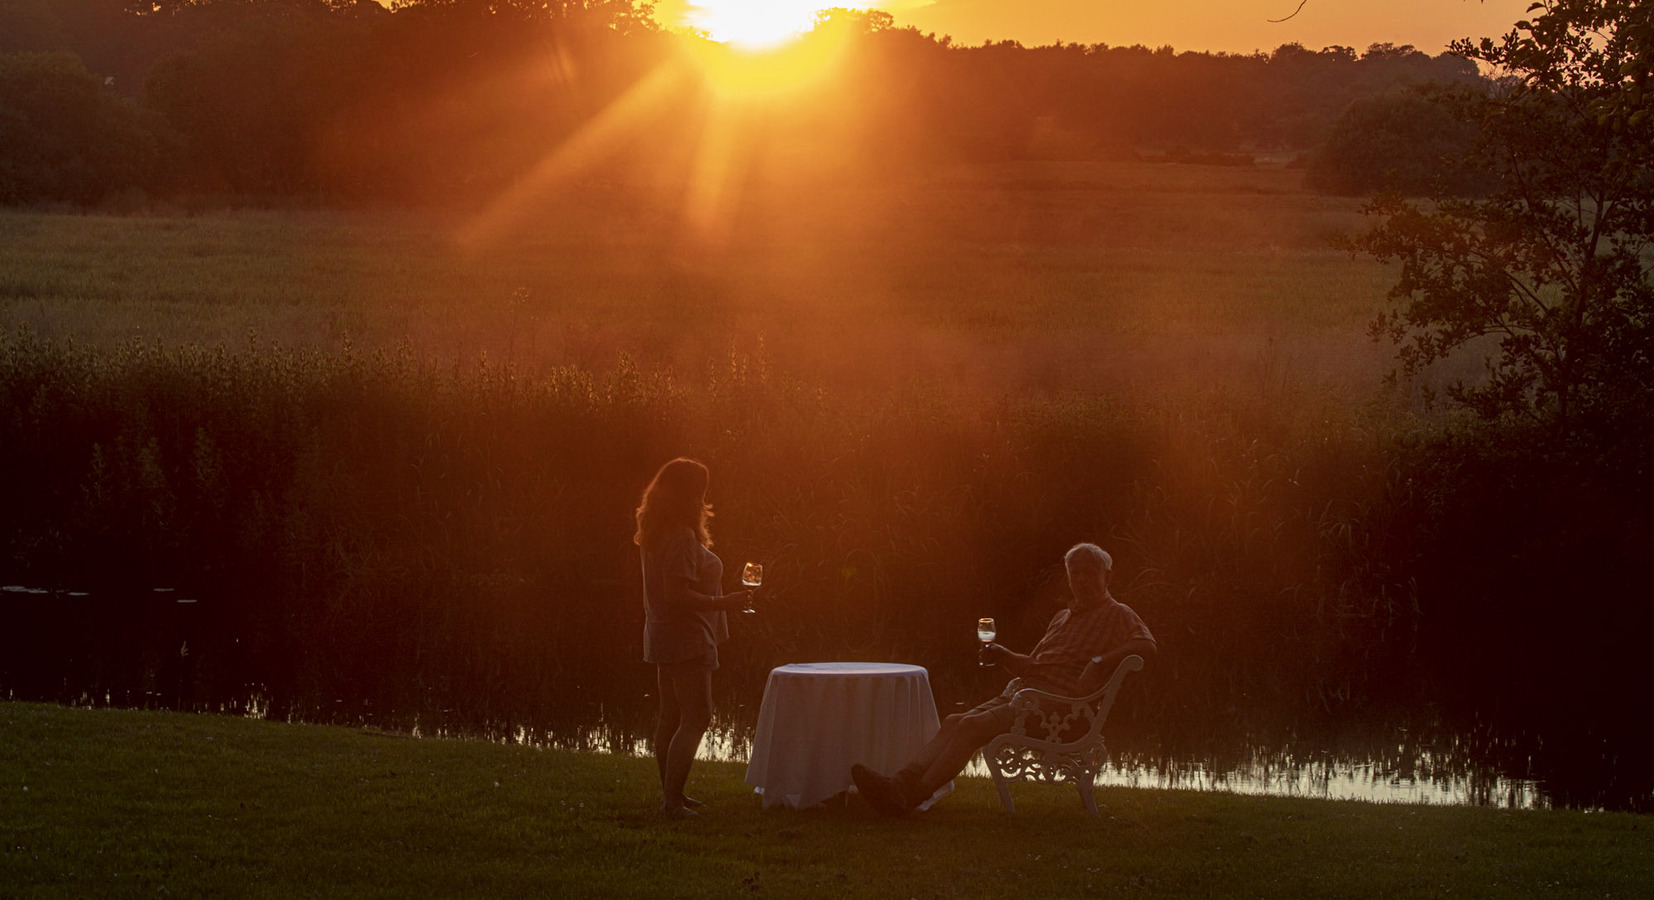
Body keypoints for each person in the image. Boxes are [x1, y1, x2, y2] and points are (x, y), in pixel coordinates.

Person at [850, 542, 1155, 816]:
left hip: (1060, 710)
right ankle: (897, 783)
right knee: (955, 720)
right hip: (1025, 695)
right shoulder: (1062, 617)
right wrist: (1002, 654)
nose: (1082, 580)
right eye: (1075, 574)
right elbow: (1032, 667)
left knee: (970, 727)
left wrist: (1100, 661)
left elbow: (1146, 645)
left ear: (1108, 577)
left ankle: (910, 797)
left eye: (1090, 573)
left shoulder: (1118, 614)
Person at [634, 457, 757, 819]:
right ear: (690, 494)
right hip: (687, 639)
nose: (705, 496)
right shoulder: (681, 538)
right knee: (697, 716)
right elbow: (677, 594)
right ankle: (672, 802)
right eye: (701, 489)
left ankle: (674, 795)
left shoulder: (656, 531)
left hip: (661, 635)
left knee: (670, 716)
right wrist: (727, 603)